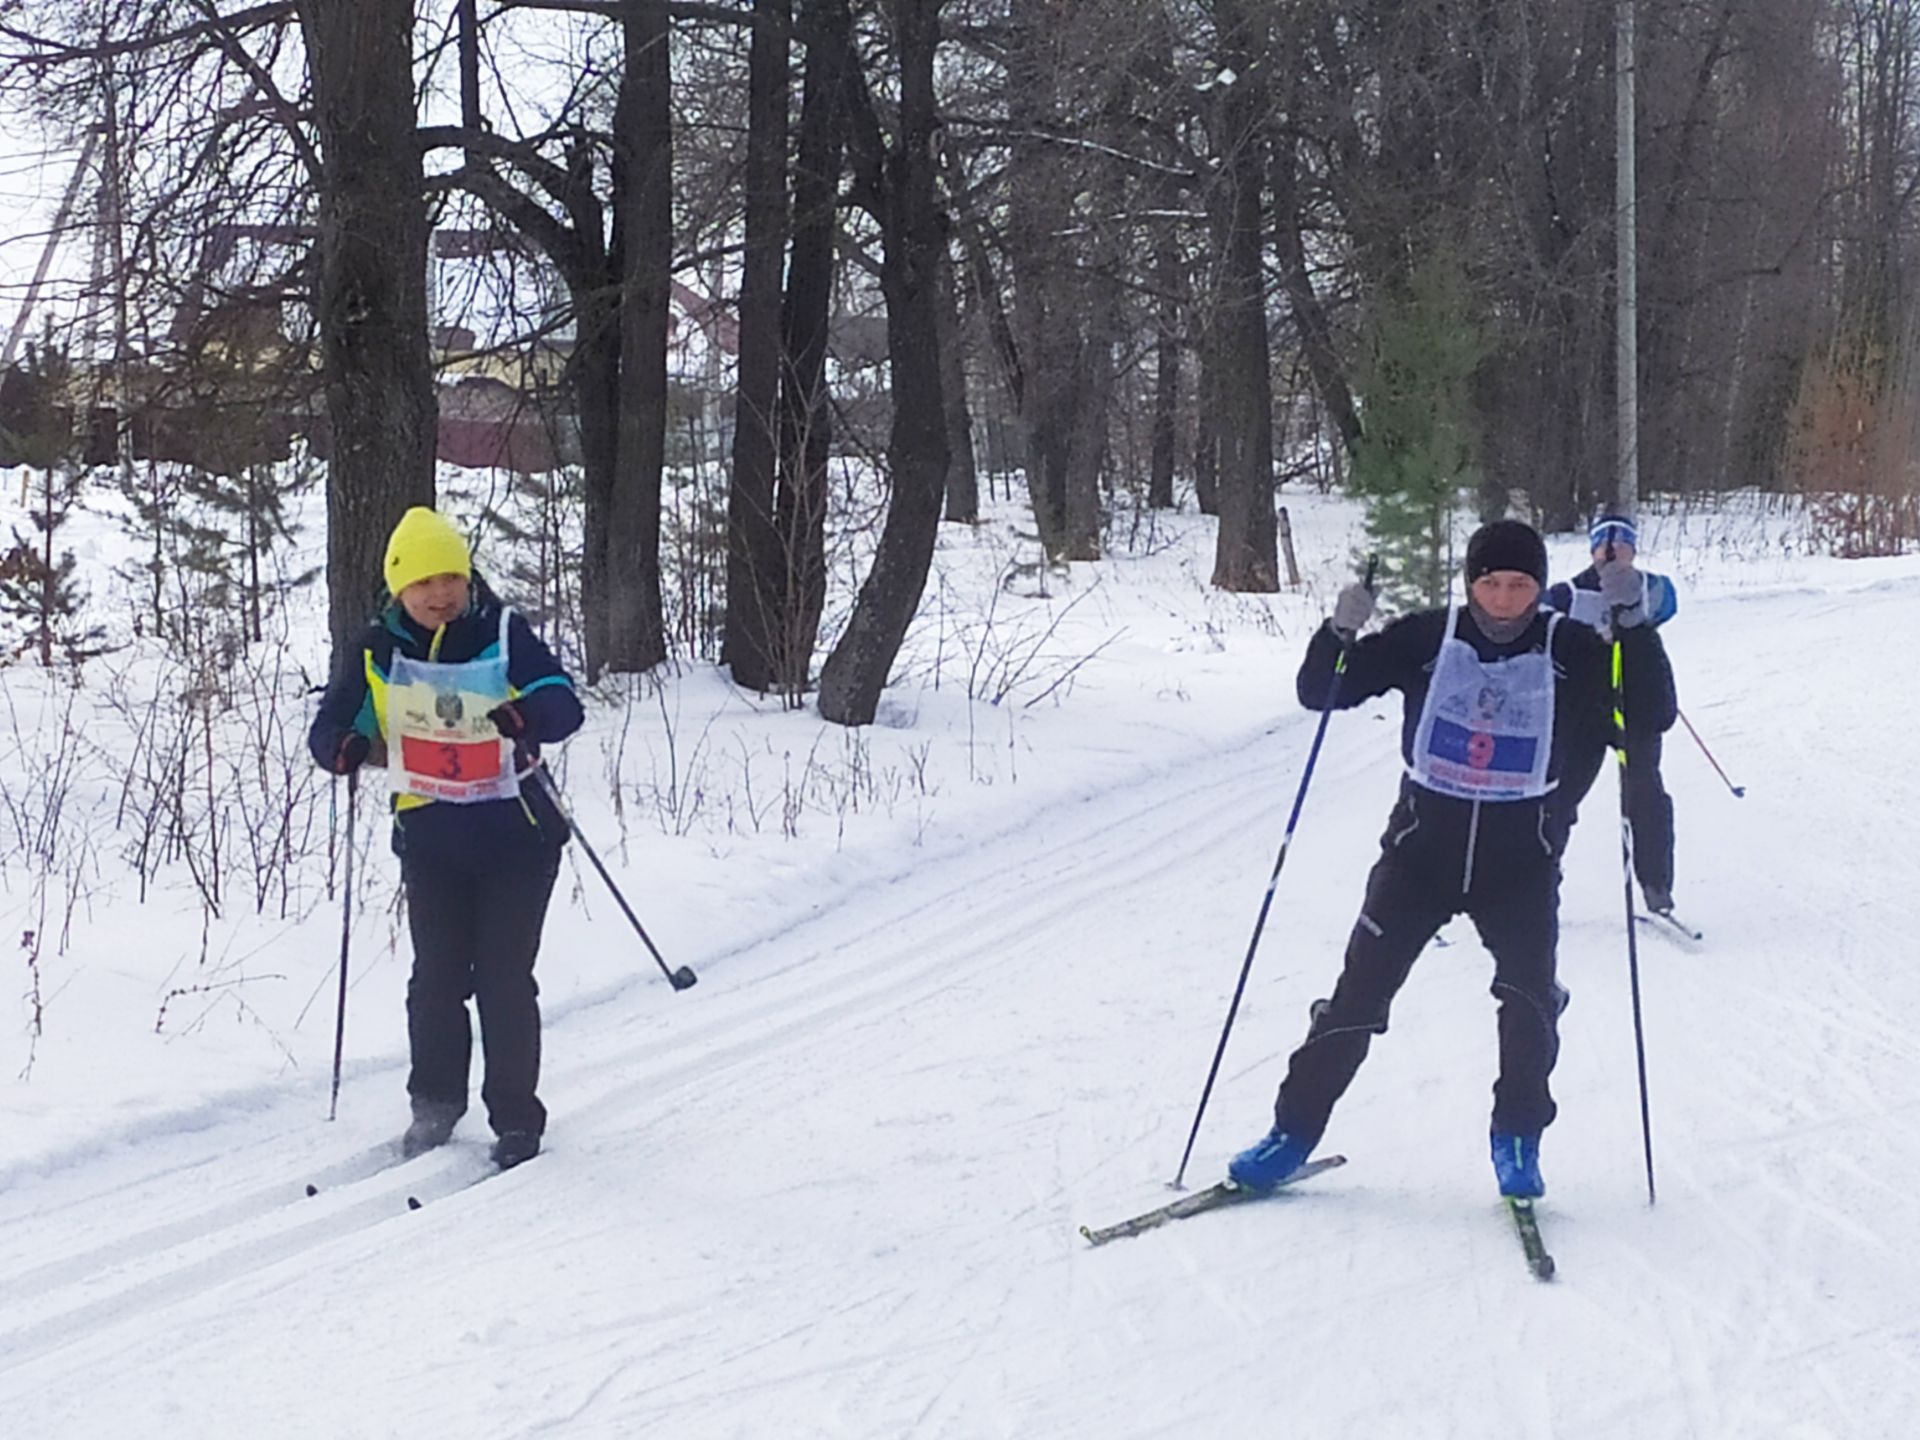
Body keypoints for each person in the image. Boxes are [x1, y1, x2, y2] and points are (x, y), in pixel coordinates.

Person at [1228, 519, 1676, 1200]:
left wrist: (1637, 626)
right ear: (1470, 583)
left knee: (1528, 1004)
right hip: (1418, 858)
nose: (1503, 599)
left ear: (1538, 586)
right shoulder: (1427, 637)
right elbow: (1323, 692)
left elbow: (1653, 712)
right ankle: (1292, 1132)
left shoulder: (1574, 647)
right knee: (1357, 1000)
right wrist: (1338, 632)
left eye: (1519, 584)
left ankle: (1517, 1139)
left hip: (1520, 865)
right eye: (1490, 583)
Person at [309, 507, 584, 1170]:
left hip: (517, 839)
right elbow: (331, 723)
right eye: (424, 582)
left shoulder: (502, 630)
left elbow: (562, 702)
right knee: (435, 980)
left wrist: (525, 714)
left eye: (451, 578)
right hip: (432, 839)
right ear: (398, 588)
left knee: (502, 978)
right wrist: (342, 749)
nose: (441, 594)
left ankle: (516, 1121)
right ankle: (434, 1107)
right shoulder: (377, 646)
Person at [1545, 514, 1681, 913]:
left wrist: (1631, 606)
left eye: (1622, 543)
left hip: (1635, 703)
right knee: (1559, 795)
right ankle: (1538, 881)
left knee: (1644, 792)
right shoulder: (1569, 593)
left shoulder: (1651, 586)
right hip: (1584, 707)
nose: (1612, 550)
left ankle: (1656, 884)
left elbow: (1666, 604)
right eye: (1605, 543)